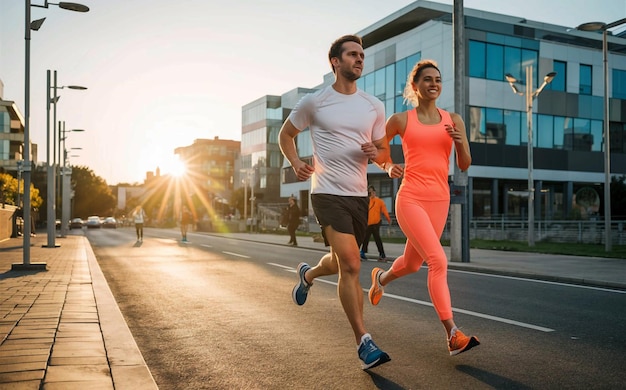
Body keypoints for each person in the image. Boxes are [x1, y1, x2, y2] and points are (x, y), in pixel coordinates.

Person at [278, 34, 391, 370]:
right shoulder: (315, 102)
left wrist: (377, 154)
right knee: (353, 265)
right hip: (326, 192)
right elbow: (285, 134)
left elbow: (383, 151)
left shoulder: (373, 105)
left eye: (362, 55)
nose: (359, 59)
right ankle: (364, 343)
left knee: (343, 262)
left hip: (358, 195)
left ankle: (309, 274)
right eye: (352, 55)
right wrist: (296, 163)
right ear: (335, 62)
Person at [368, 59, 479, 356]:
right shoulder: (402, 120)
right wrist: (388, 165)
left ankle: (381, 278)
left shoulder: (453, 119)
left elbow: (465, 164)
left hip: (439, 199)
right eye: (427, 79)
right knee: (438, 260)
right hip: (411, 198)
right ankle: (453, 334)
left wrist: (459, 143)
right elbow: (378, 146)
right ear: (415, 86)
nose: (434, 84)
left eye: (438, 80)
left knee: (413, 263)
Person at [360, 185, 391, 262]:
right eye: (370, 192)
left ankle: (382, 254)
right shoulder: (367, 201)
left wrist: (388, 219)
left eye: (372, 192)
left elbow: (384, 211)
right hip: (368, 223)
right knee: (365, 238)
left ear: (375, 192)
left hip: (376, 223)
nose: (371, 194)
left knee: (377, 238)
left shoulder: (379, 201)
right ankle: (363, 253)